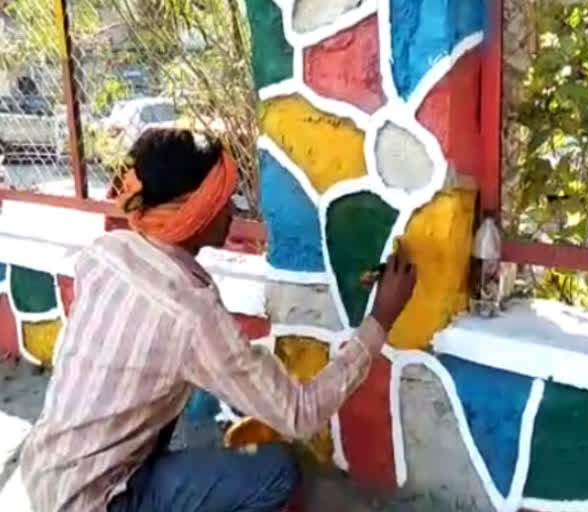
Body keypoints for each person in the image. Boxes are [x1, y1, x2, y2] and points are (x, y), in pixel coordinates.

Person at [20, 128, 417, 512]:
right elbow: (300, 413)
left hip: (45, 473)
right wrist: (380, 318)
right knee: (277, 472)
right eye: (225, 199)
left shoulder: (105, 254)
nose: (233, 209)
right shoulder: (191, 315)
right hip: (93, 501)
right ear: (196, 210)